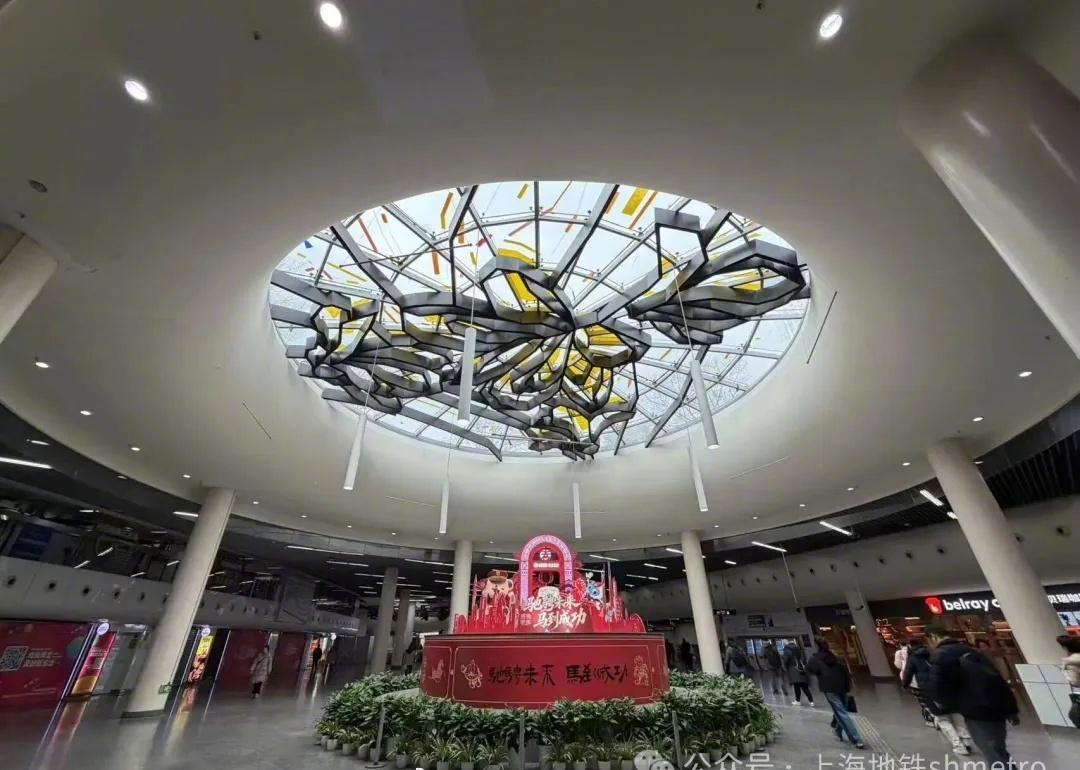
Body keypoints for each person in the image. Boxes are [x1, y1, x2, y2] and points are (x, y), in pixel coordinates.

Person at [925, 622, 1018, 767]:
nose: (929, 645)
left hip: (975, 709)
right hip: (995, 706)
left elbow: (936, 688)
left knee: (993, 753)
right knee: (999, 751)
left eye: (928, 641)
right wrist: (1011, 709)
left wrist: (943, 705)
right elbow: (997, 679)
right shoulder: (970, 650)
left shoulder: (940, 655)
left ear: (933, 637)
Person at [902, 637, 972, 754]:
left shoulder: (913, 657)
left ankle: (957, 744)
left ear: (910, 646)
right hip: (945, 686)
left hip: (928, 689)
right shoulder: (933, 653)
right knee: (955, 714)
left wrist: (905, 685)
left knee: (941, 718)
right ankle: (966, 741)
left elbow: (908, 672)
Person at [807, 639, 867, 750]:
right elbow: (845, 672)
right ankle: (838, 730)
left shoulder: (815, 658)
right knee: (840, 710)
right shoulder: (835, 657)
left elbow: (811, 670)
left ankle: (856, 739)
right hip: (841, 687)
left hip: (829, 688)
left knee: (841, 712)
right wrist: (847, 687)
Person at [783, 641, 814, 706]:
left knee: (796, 686)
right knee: (804, 686)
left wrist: (785, 667)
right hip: (801, 668)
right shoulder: (798, 649)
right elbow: (804, 659)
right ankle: (811, 701)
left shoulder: (787, 650)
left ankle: (798, 701)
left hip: (793, 670)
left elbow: (786, 660)